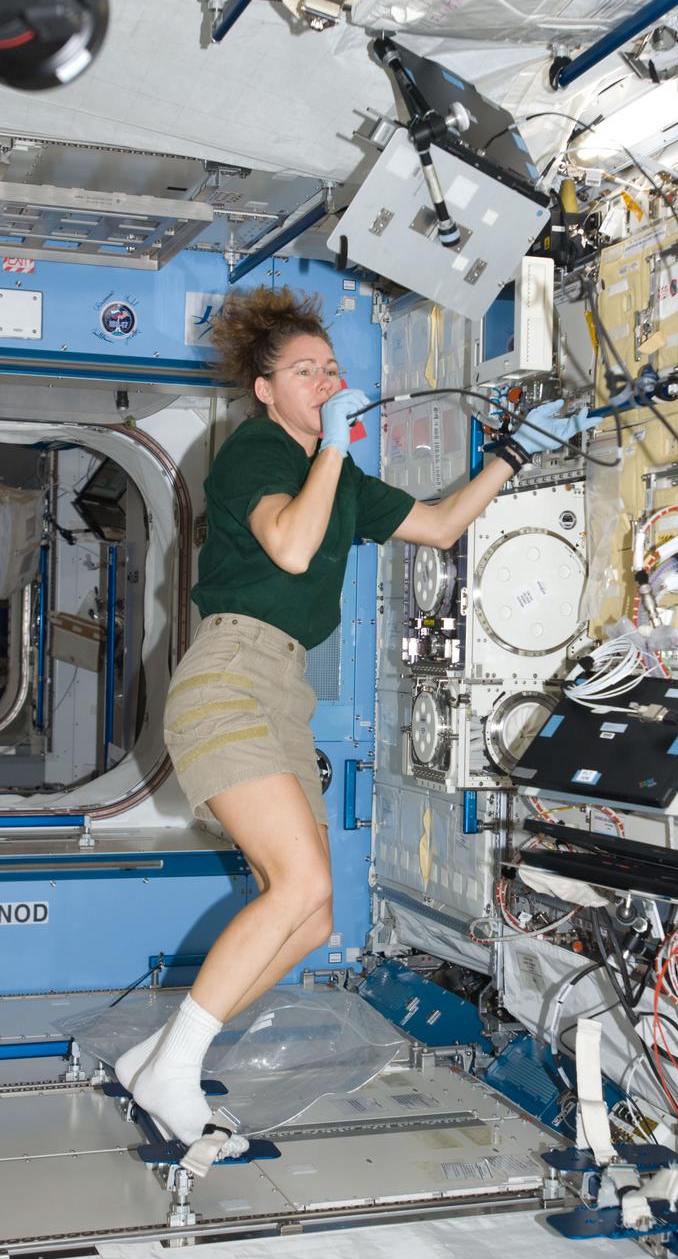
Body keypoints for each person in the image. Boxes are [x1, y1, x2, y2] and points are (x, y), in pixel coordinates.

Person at [113, 285, 588, 1170]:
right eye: (305, 372)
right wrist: (329, 451)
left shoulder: (341, 474)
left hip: (279, 687)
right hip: (227, 678)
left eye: (332, 369)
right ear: (264, 389)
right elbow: (291, 546)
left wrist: (515, 458)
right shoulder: (253, 452)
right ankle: (175, 1069)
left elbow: (442, 523)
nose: (327, 381)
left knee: (314, 914)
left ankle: (157, 1059)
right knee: (293, 889)